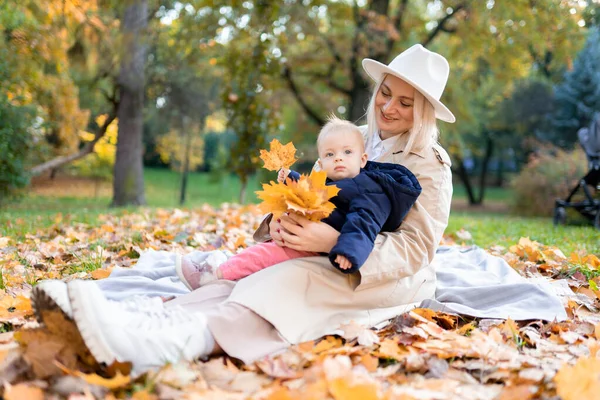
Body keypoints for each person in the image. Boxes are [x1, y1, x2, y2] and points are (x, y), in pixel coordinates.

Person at [31, 44, 455, 376]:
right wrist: (288, 221)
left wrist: (333, 242)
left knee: (294, 279)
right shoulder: (353, 137)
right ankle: (146, 319)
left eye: (405, 102)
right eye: (386, 93)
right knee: (254, 270)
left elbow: (417, 247)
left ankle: (180, 341)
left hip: (389, 272)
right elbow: (314, 193)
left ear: (423, 112)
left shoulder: (428, 162)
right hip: (326, 243)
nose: (389, 107)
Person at [175, 117, 422, 290]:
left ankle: (211, 277)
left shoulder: (369, 189)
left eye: (347, 153)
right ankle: (232, 274)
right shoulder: (328, 180)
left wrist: (348, 252)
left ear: (363, 159)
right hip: (302, 230)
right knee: (262, 255)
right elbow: (310, 189)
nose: (338, 158)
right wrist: (291, 179)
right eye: (329, 154)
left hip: (317, 245)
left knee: (263, 255)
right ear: (321, 162)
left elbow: (363, 223)